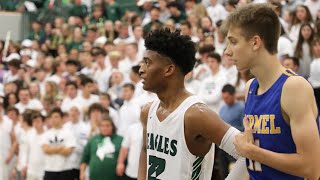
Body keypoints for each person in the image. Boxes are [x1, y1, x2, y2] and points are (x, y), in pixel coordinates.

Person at [223, 3, 320, 179]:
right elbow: (255, 163)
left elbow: (311, 168)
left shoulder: (293, 87)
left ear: (255, 42)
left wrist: (252, 152)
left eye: (233, 42)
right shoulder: (250, 87)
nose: (227, 52)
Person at [138, 28, 244, 180]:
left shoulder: (196, 114)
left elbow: (248, 155)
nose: (141, 70)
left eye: (147, 63)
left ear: (169, 69)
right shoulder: (147, 111)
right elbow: (144, 150)